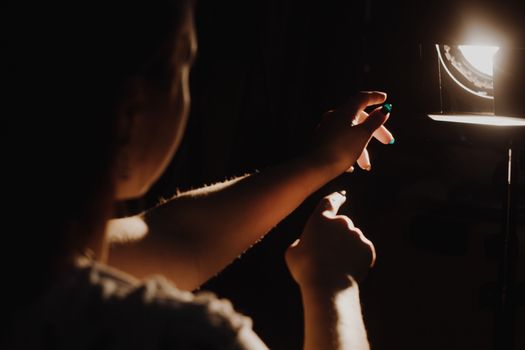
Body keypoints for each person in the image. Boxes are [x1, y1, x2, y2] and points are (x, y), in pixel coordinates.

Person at [6, 1, 393, 349]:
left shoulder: (32, 256)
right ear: (130, 116)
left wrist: (322, 161)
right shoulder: (181, 336)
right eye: (185, 65)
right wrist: (332, 283)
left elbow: (175, 239)